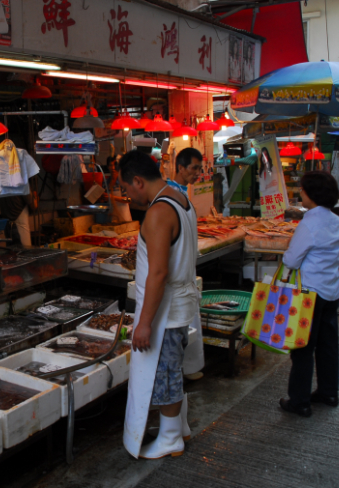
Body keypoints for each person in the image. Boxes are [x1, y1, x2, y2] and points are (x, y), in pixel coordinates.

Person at [119, 150, 199, 459]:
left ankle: (170, 439)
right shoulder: (180, 199)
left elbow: (159, 272)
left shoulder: (158, 213)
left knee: (165, 374)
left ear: (138, 181)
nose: (126, 195)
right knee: (173, 369)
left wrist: (144, 323)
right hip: (181, 304)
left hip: (167, 310)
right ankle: (179, 427)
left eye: (126, 189)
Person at [280, 171, 339, 417]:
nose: (300, 193)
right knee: (327, 345)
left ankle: (299, 401)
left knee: (302, 348)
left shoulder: (308, 224)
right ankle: (328, 392)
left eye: (302, 190)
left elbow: (291, 259)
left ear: (312, 194)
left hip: (309, 295)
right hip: (331, 291)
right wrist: (331, 267)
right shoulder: (336, 221)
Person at [168, 148, 206, 382]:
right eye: (194, 168)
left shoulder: (183, 195)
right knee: (181, 321)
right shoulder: (169, 197)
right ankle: (182, 369)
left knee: (189, 318)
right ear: (180, 168)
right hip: (178, 272)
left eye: (199, 169)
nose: (197, 173)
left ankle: (189, 366)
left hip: (186, 271)